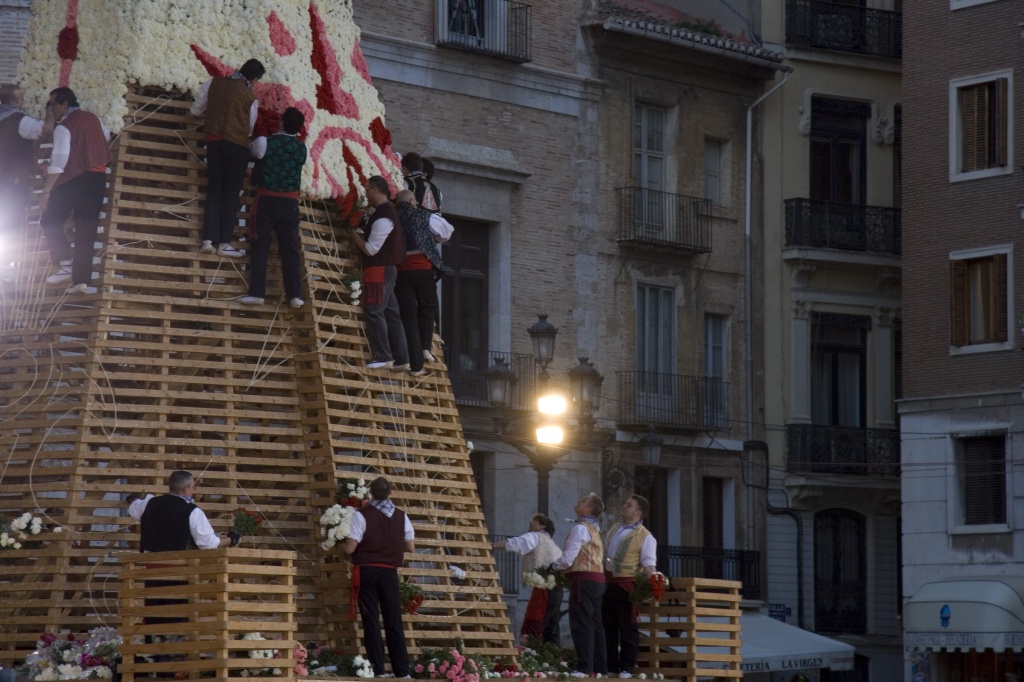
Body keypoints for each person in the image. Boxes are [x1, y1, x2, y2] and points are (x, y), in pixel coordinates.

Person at [191, 58, 265, 258]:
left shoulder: (214, 82)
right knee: (231, 193)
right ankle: (224, 243)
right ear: (255, 78)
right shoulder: (250, 97)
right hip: (237, 147)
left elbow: (196, 109)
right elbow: (249, 128)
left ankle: (207, 240)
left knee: (214, 189)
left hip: (214, 142)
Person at [39, 87, 109, 294]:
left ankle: (65, 265)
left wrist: (46, 191)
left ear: (64, 104)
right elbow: (105, 136)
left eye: (52, 104)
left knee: (49, 220)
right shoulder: (93, 118)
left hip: (74, 177)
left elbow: (59, 163)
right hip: (98, 177)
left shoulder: (64, 127)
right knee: (86, 229)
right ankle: (82, 281)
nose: (51, 109)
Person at [342, 477, 413, 678]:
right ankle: (402, 671)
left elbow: (350, 548)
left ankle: (378, 670)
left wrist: (339, 545)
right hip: (389, 572)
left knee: (371, 620)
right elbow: (410, 546)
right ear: (390, 492)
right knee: (393, 621)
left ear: (371, 493)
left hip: (367, 572)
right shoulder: (402, 516)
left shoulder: (362, 515)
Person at [239, 107, 307, 309]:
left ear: (282, 123)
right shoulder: (302, 149)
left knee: (260, 245)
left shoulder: (265, 142)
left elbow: (253, 151)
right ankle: (295, 295)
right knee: (290, 249)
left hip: (266, 199)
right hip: (290, 203)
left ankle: (257, 292)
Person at [349, 176, 410, 370]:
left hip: (379, 269)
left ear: (376, 189)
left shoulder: (384, 216)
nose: (366, 193)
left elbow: (370, 249)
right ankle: (402, 359)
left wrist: (353, 235)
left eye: (367, 190)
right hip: (387, 269)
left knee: (374, 311)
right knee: (391, 313)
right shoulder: (384, 213)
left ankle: (383, 355)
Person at [394, 189, 453, 374]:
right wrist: (431, 238)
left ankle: (415, 365)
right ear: (412, 200)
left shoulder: (392, 216)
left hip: (401, 272)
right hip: (422, 270)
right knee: (428, 308)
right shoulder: (424, 216)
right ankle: (425, 347)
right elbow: (446, 232)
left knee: (408, 316)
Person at [552, 493, 607, 677]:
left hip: (583, 581)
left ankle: (584, 668)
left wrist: (553, 566)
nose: (578, 501)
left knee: (581, 624)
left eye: (582, 500)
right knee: (596, 625)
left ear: (588, 509)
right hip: (598, 581)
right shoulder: (594, 528)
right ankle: (600, 668)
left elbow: (568, 558)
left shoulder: (580, 528)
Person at [602, 495, 657, 678]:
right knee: (607, 627)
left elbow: (649, 565)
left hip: (626, 586)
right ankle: (610, 666)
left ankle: (626, 668)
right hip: (608, 583)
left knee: (627, 628)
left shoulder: (646, 536)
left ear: (637, 513)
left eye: (629, 505)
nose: (624, 506)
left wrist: (653, 584)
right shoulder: (615, 528)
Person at [492, 513, 564, 645]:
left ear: (542, 526)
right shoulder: (553, 544)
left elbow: (515, 543)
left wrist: (492, 546)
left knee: (536, 622)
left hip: (544, 589)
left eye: (534, 522)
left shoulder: (535, 536)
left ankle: (533, 655)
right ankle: (554, 659)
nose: (530, 524)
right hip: (557, 590)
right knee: (552, 627)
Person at [126, 470, 236, 551]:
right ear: (186, 489)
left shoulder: (149, 503)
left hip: (151, 569)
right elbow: (207, 543)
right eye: (193, 487)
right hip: (180, 569)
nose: (194, 490)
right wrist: (231, 540)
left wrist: (133, 499)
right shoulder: (192, 511)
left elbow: (134, 509)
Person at [0, 84, 53, 254]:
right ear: (15, 101)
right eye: (21, 98)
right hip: (13, 180)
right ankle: (6, 269)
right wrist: (50, 113)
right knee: (11, 220)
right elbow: (46, 129)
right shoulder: (19, 120)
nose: (23, 102)